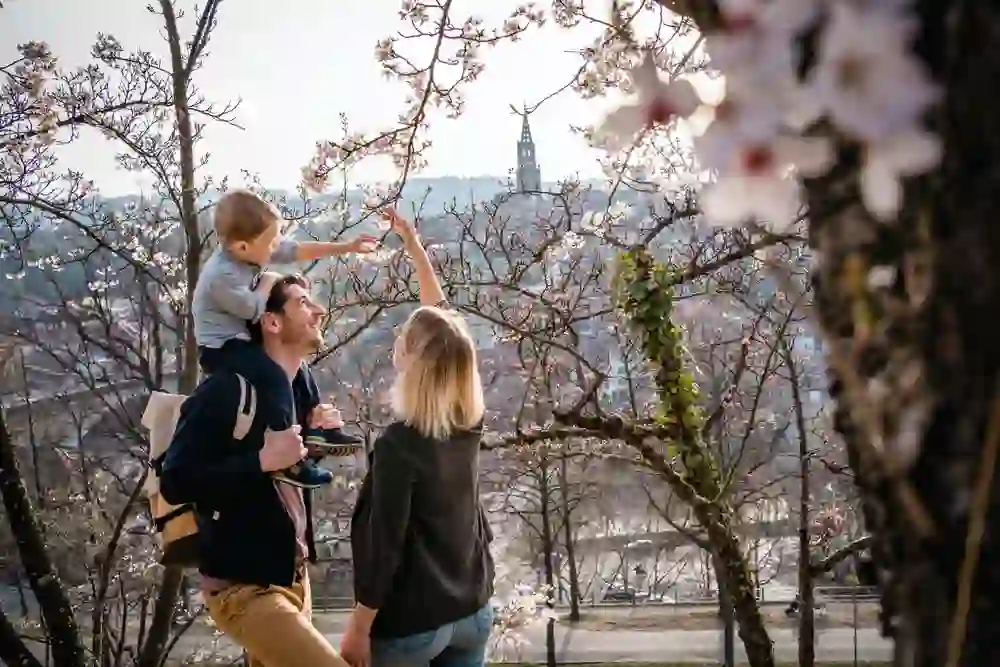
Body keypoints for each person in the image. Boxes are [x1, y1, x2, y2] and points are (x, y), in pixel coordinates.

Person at [160, 273, 350, 667]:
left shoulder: (298, 390)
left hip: (293, 578)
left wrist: (312, 443)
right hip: (244, 589)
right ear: (272, 321)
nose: (319, 311)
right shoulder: (226, 390)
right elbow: (175, 481)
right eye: (303, 302)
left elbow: (282, 476)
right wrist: (261, 460)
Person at [341, 210, 496, 667]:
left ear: (413, 360)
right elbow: (446, 327)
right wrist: (412, 245)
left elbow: (385, 545)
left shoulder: (399, 446)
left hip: (412, 622)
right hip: (471, 608)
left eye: (404, 336)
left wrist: (359, 627)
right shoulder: (468, 420)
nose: (397, 337)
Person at [193, 189, 376, 488]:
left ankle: (316, 428)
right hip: (222, 348)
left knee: (298, 368)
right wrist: (269, 281)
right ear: (242, 246)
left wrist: (347, 246)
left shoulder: (252, 249)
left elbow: (295, 251)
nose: (275, 247)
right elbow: (252, 308)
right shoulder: (221, 277)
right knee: (274, 377)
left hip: (241, 334)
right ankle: (289, 458)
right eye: (271, 242)